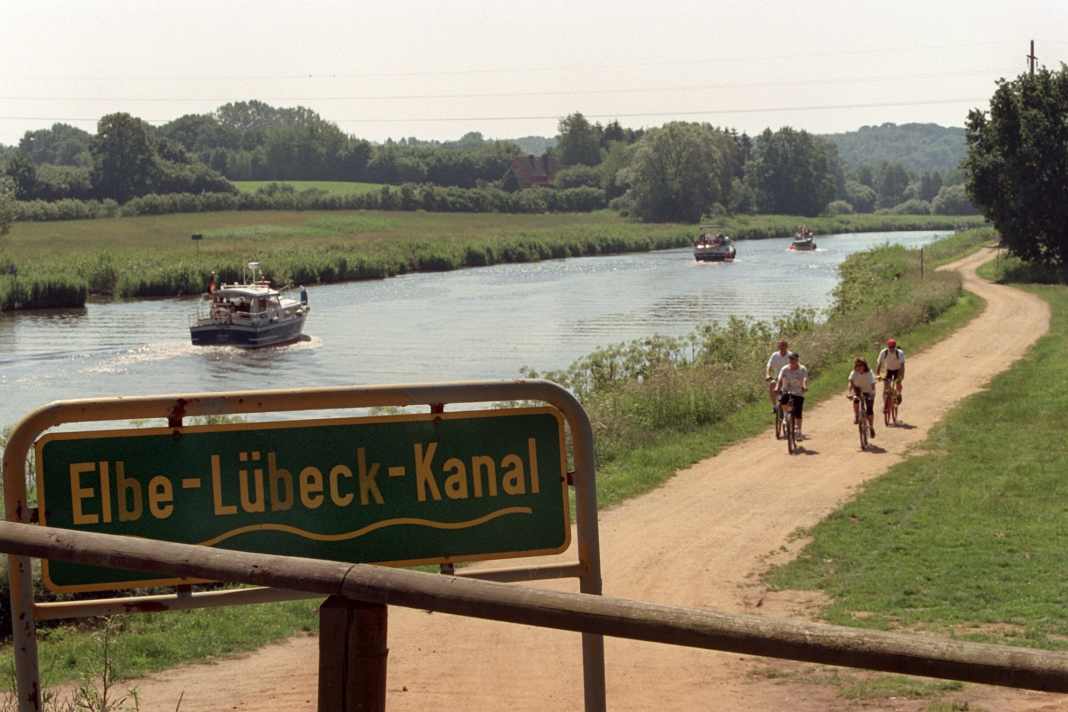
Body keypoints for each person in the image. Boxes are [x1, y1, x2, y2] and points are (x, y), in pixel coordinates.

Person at [777, 352, 809, 438]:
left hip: (798, 391)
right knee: (783, 400)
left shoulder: (802, 369)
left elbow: (804, 379)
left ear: (797, 360)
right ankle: (785, 415)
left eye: (793, 359)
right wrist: (777, 387)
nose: (791, 361)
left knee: (798, 411)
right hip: (787, 389)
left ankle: (798, 430)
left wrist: (804, 386)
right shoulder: (785, 369)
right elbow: (780, 379)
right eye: (790, 359)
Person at [847, 357, 877, 438]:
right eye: (857, 365)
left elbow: (873, 384)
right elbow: (850, 382)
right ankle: (857, 415)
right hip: (858, 390)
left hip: (868, 391)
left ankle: (871, 426)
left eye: (861, 365)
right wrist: (849, 392)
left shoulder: (869, 373)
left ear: (864, 366)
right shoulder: (853, 373)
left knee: (869, 410)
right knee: (855, 399)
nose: (859, 367)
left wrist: (873, 393)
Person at [875, 338, 905, 403]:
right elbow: (878, 363)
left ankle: (898, 393)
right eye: (890, 347)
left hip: (897, 369)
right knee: (886, 387)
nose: (891, 349)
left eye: (893, 347)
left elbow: (902, 366)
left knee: (898, 383)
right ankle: (885, 404)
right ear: (887, 346)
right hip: (888, 370)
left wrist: (901, 376)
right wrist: (877, 374)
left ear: (895, 346)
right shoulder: (883, 352)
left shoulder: (900, 353)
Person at [765, 340, 791, 413]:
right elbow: (769, 365)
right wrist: (767, 374)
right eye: (780, 346)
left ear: (786, 347)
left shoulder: (790, 355)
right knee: (772, 384)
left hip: (789, 378)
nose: (782, 348)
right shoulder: (775, 355)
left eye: (783, 346)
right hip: (778, 378)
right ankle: (774, 406)